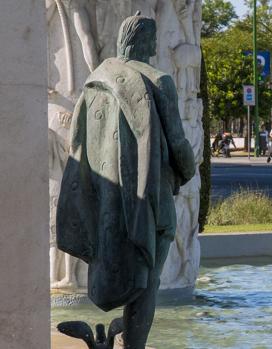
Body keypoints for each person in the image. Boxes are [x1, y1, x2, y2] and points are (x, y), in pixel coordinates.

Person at [57, 13, 196, 348]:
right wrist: (189, 170)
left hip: (106, 197)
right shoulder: (159, 80)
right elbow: (178, 143)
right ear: (146, 42)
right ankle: (133, 344)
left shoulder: (95, 81)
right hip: (150, 198)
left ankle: (119, 334)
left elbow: (77, 142)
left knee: (120, 263)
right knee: (147, 279)